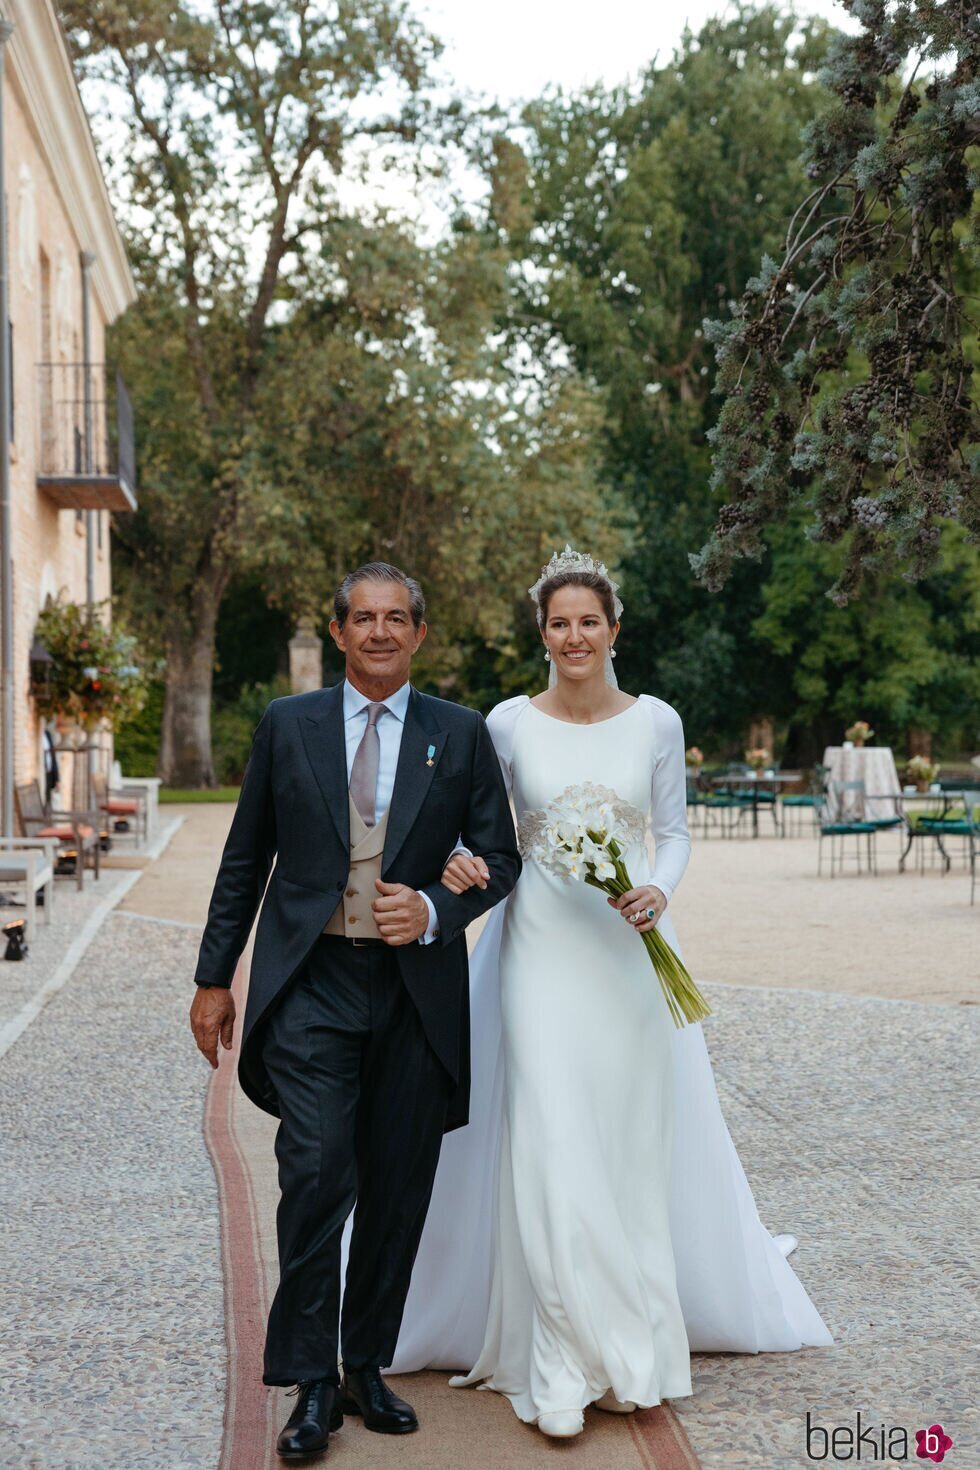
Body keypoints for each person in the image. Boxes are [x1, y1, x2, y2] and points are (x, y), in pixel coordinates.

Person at [383, 547, 833, 1438]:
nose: (574, 636)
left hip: (628, 957)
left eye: (589, 621)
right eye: (559, 623)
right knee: (548, 1143)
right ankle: (556, 1361)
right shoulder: (506, 724)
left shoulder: (656, 723)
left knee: (625, 1151)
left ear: (614, 630)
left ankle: (632, 1346)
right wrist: (458, 862)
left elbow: (673, 831)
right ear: (541, 633)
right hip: (538, 957)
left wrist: (661, 889)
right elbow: (473, 831)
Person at [189, 562, 521, 1462]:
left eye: (396, 618)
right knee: (317, 1174)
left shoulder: (459, 734)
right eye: (363, 618)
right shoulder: (286, 725)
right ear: (337, 634)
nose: (379, 632)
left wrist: (439, 912)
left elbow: (500, 854)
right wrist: (214, 976)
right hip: (312, 984)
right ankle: (310, 1383)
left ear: (420, 633)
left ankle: (367, 1364)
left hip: (415, 993)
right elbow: (243, 855)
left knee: (396, 1187)